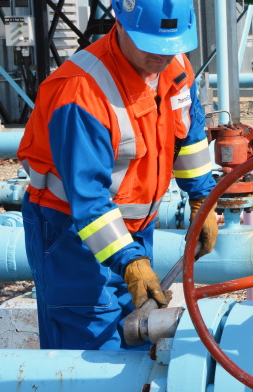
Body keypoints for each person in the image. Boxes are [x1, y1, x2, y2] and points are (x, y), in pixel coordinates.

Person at [17, 0, 218, 350]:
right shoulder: (81, 92)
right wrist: (129, 261)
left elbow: (189, 133)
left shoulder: (174, 65)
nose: (161, 57)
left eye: (171, 47)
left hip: (137, 226)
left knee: (137, 330)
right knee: (90, 344)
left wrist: (203, 196)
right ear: (120, 24)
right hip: (71, 234)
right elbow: (88, 197)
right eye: (151, 46)